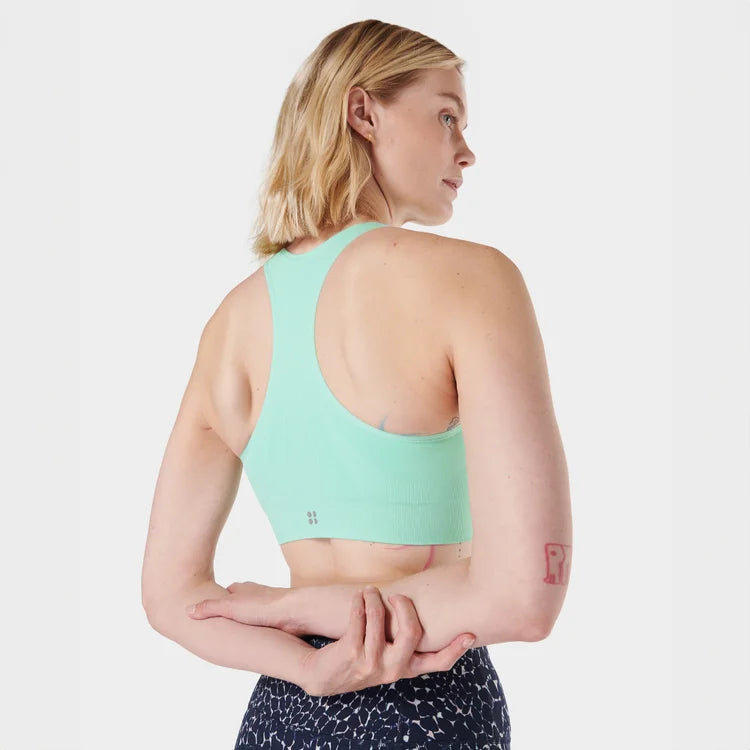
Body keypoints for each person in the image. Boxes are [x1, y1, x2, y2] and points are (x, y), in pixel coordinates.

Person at [142, 18, 572, 750]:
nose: (466, 151)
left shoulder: (229, 326)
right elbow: (525, 597)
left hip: (284, 713)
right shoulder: (472, 280)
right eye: (447, 116)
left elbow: (168, 596)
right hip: (427, 701)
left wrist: (302, 647)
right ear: (363, 112)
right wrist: (305, 614)